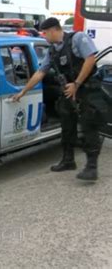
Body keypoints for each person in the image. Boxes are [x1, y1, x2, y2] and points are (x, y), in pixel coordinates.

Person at [12, 17, 107, 181]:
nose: (44, 36)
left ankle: (92, 167)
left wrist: (76, 84)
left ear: (53, 30)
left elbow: (90, 59)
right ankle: (68, 160)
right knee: (67, 124)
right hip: (70, 91)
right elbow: (41, 72)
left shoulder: (78, 38)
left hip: (87, 89)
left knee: (89, 125)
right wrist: (23, 91)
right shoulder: (53, 50)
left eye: (45, 33)